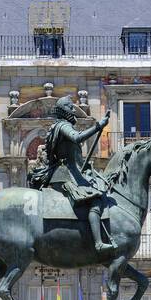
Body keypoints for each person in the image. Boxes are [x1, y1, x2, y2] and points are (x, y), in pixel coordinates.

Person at [42, 96, 114, 255]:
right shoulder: (63, 126)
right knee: (95, 200)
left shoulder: (59, 126)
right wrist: (98, 126)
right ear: (64, 110)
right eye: (70, 107)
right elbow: (77, 137)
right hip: (66, 175)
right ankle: (98, 243)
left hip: (69, 171)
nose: (74, 110)